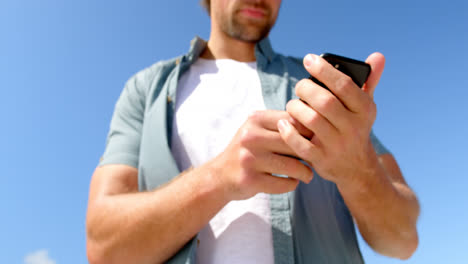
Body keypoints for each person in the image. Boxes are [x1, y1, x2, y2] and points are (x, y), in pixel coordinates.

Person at [86, 0, 420, 263]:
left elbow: (402, 240)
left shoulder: (320, 88)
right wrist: (218, 179)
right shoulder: (146, 90)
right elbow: (104, 247)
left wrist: (357, 170)